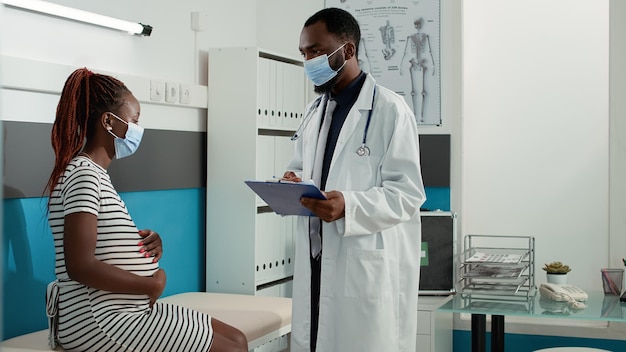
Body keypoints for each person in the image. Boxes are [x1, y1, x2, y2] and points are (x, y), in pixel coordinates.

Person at [44, 68, 248, 352]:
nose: (138, 129)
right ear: (109, 122)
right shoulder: (84, 174)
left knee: (238, 339)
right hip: (99, 319)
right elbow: (79, 265)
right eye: (134, 120)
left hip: (128, 311)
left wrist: (145, 244)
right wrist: (150, 286)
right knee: (232, 350)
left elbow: (103, 241)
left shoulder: (97, 175)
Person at [283, 8, 426, 352]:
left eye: (316, 51)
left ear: (347, 50)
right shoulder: (314, 111)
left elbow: (407, 193)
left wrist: (349, 205)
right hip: (316, 260)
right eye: (304, 53)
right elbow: (305, 169)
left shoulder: (391, 111)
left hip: (362, 262)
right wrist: (292, 182)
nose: (308, 61)